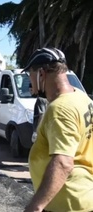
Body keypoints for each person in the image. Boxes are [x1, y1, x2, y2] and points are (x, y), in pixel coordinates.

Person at [24, 47, 93, 212]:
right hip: (82, 197)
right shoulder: (81, 97)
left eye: (30, 74)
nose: (30, 81)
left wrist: (35, 206)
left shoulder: (60, 109)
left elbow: (63, 162)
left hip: (67, 204)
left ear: (41, 73)